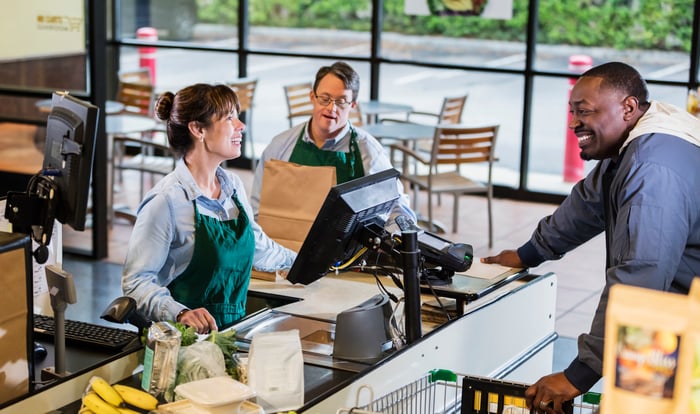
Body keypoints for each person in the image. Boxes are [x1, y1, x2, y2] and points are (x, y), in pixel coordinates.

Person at [481, 62, 700, 413]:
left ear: (628, 107)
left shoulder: (650, 169)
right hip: (662, 316)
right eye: (572, 112)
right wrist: (527, 254)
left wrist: (579, 375)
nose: (573, 123)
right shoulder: (635, 145)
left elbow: (640, 278)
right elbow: (586, 207)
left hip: (676, 324)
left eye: (584, 111)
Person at [122, 83, 296, 334]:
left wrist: (304, 262)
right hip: (183, 343)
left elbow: (259, 246)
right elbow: (135, 283)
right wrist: (180, 313)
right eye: (229, 118)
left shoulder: (232, 187)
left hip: (233, 333)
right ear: (197, 129)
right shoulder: (166, 201)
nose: (241, 125)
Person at [249, 61, 415, 224]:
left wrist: (397, 236)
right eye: (325, 98)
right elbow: (259, 210)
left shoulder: (369, 152)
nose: (331, 108)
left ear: (353, 105)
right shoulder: (280, 146)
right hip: (285, 248)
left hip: (346, 251)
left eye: (341, 101)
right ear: (312, 97)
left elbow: (398, 206)